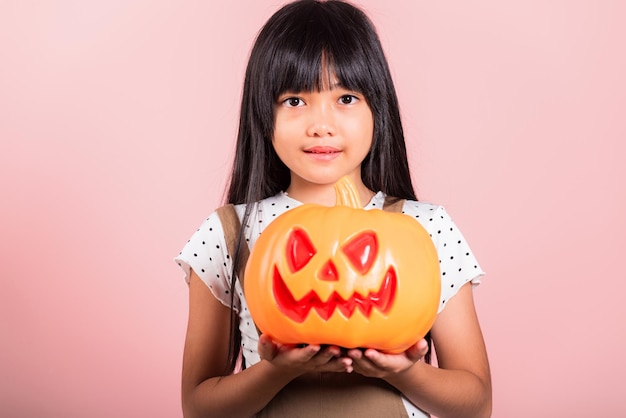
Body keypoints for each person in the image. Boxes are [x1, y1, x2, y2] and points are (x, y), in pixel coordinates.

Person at [174, 0, 492, 417]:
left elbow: (476, 405)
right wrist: (275, 371)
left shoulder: (426, 228)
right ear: (262, 112)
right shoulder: (228, 233)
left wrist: (402, 372)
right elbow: (199, 408)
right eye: (294, 101)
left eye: (346, 97)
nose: (321, 124)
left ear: (378, 109)